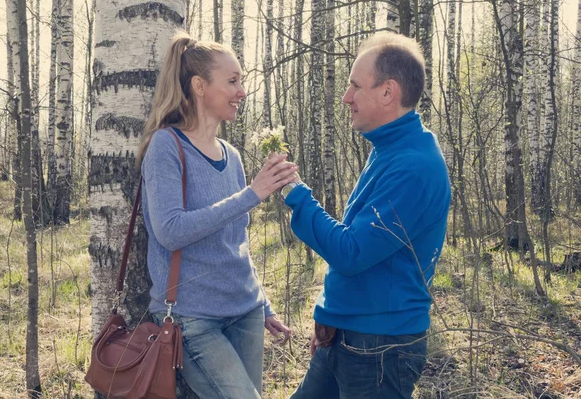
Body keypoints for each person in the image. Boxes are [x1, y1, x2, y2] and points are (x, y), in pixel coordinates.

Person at [282, 32, 451, 398]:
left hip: (380, 348)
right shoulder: (390, 148)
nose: (346, 98)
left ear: (388, 92)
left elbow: (352, 251)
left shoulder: (413, 166)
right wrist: (331, 317)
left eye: (355, 87)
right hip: (349, 334)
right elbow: (364, 246)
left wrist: (295, 194)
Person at [137, 30, 296, 399]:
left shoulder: (232, 155)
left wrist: (264, 304)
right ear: (199, 86)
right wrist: (251, 194)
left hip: (246, 312)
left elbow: (236, 241)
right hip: (192, 319)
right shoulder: (166, 146)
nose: (242, 91)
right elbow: (170, 230)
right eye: (233, 81)